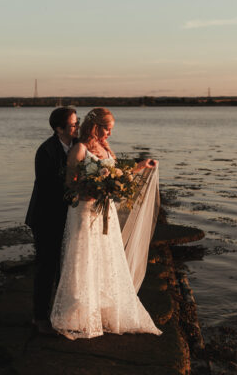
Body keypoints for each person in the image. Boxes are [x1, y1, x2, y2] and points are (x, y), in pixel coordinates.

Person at [50, 107, 162, 340]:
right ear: (95, 127)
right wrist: (88, 190)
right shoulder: (79, 149)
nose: (110, 134)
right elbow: (69, 184)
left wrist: (142, 165)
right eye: (107, 129)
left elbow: (118, 171)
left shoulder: (105, 148)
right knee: (84, 257)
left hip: (105, 211)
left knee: (105, 257)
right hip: (84, 211)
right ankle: (79, 314)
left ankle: (102, 310)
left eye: (111, 130)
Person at [25, 107, 80, 334]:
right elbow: (49, 188)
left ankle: (60, 314)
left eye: (78, 122)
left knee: (66, 268)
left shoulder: (78, 146)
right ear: (59, 128)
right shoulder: (46, 151)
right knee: (46, 267)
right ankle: (39, 318)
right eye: (73, 124)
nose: (77, 127)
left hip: (69, 217)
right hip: (46, 217)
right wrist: (78, 189)